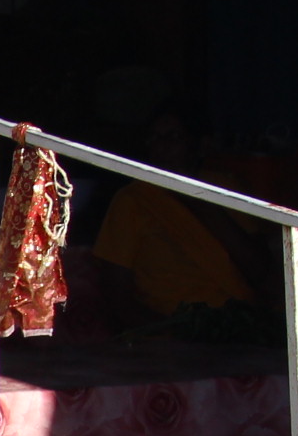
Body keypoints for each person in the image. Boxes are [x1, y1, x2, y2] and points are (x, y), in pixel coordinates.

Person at [93, 109, 254, 326]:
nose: (161, 147)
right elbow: (116, 293)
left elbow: (258, 267)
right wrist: (169, 332)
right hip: (172, 327)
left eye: (174, 137)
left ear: (201, 145)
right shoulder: (133, 200)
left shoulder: (226, 189)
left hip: (237, 323)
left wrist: (195, 198)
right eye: (155, 138)